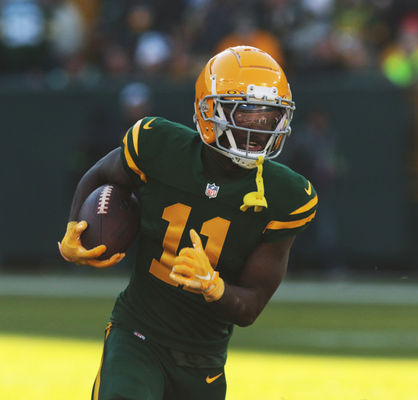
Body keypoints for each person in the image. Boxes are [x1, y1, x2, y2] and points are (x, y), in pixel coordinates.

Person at [58, 46, 317, 399]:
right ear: (208, 111)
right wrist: (75, 227)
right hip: (137, 335)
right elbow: (101, 173)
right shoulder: (159, 145)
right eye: (245, 115)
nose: (258, 129)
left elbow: (252, 303)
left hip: (204, 362)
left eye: (268, 117)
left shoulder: (286, 196)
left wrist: (214, 286)